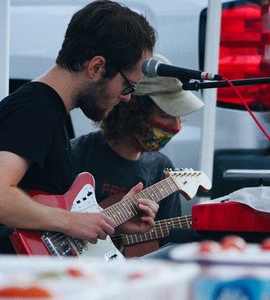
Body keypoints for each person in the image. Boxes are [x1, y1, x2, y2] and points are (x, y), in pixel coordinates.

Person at [0, 0, 158, 254]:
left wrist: (111, 218)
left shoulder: (49, 111)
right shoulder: (34, 110)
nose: (127, 97)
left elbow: (42, 210)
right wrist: (71, 221)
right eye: (128, 86)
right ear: (96, 67)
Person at [70, 54, 204, 254]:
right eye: (165, 115)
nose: (176, 126)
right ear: (131, 110)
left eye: (178, 117)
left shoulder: (161, 169)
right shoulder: (77, 154)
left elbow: (168, 245)